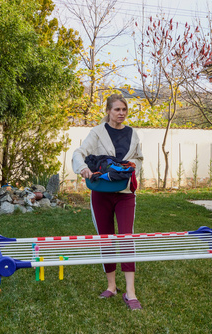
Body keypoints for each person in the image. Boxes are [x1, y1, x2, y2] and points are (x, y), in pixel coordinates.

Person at [72, 94, 143, 310]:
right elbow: (79, 152)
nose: (121, 113)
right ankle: (111, 286)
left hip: (125, 193)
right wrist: (82, 168)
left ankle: (130, 292)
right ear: (108, 111)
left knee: (126, 238)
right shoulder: (97, 132)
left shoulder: (133, 133)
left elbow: (139, 158)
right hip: (101, 193)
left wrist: (132, 167)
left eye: (124, 109)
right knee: (105, 238)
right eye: (117, 109)